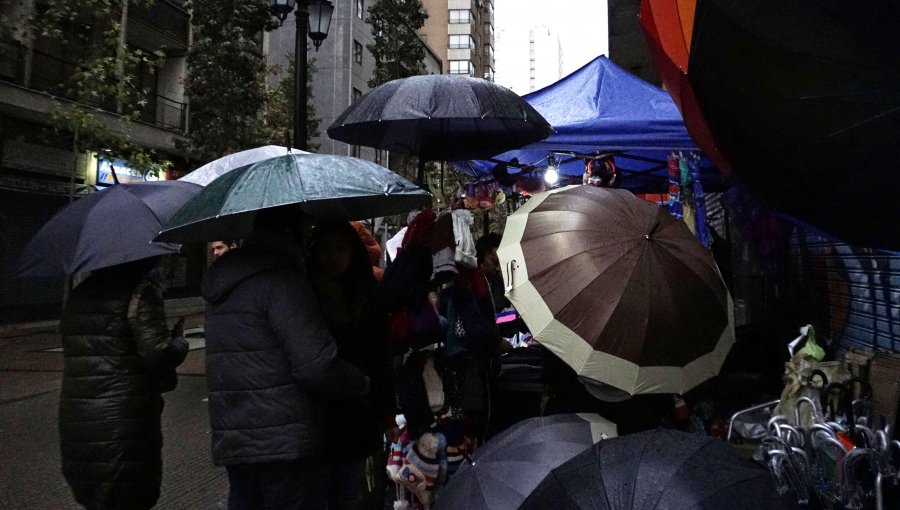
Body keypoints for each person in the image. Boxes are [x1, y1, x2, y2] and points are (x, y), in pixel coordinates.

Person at [202, 207, 371, 510]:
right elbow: (317, 366)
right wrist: (359, 382)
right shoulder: (283, 281)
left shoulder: (223, 283)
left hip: (234, 435)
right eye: (306, 232)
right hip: (284, 440)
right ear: (291, 233)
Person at [59, 257, 189, 510]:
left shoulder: (80, 293)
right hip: (123, 420)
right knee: (128, 496)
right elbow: (157, 354)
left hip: (78, 417)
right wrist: (179, 343)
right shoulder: (141, 293)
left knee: (96, 497)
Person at [309, 222, 396, 509]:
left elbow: (381, 354)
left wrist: (385, 410)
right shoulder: (306, 296)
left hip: (360, 413)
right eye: (325, 250)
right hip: (319, 417)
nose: (333, 256)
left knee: (353, 492)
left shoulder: (368, 294)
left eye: (340, 248)